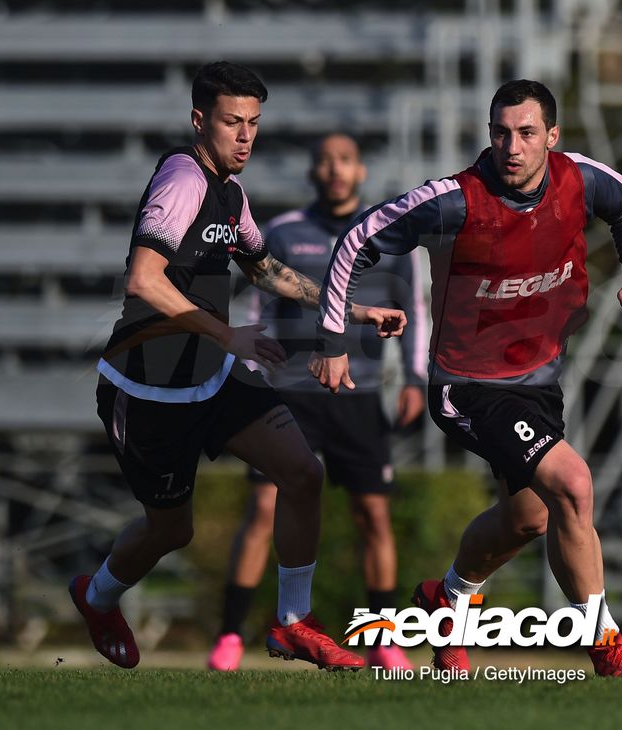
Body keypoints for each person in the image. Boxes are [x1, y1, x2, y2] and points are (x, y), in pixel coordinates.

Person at [311, 80, 622, 678]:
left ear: (551, 138)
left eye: (527, 133)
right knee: (574, 485)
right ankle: (607, 651)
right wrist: (332, 341)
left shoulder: (578, 178)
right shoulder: (454, 200)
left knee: (530, 518)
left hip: (538, 379)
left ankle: (447, 603)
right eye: (501, 132)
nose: (512, 146)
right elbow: (355, 241)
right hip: (468, 385)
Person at [68, 61, 405, 671]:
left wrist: (353, 310)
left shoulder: (232, 191)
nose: (245, 136)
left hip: (212, 374)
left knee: (302, 473)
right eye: (232, 122)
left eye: (254, 123)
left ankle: (295, 623)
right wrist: (231, 335)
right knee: (171, 532)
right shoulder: (182, 177)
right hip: (148, 390)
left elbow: (265, 269)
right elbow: (145, 279)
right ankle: (97, 598)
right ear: (200, 120)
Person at [207, 133, 428, 672]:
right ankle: (231, 637)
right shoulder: (281, 233)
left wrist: (416, 379)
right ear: (312, 172)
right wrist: (257, 378)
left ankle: (384, 639)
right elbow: (257, 302)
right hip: (290, 392)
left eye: (345, 160)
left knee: (373, 514)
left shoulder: (389, 239)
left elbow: (416, 310)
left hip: (363, 393)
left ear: (361, 171)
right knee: (263, 509)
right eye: (325, 160)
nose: (335, 169)